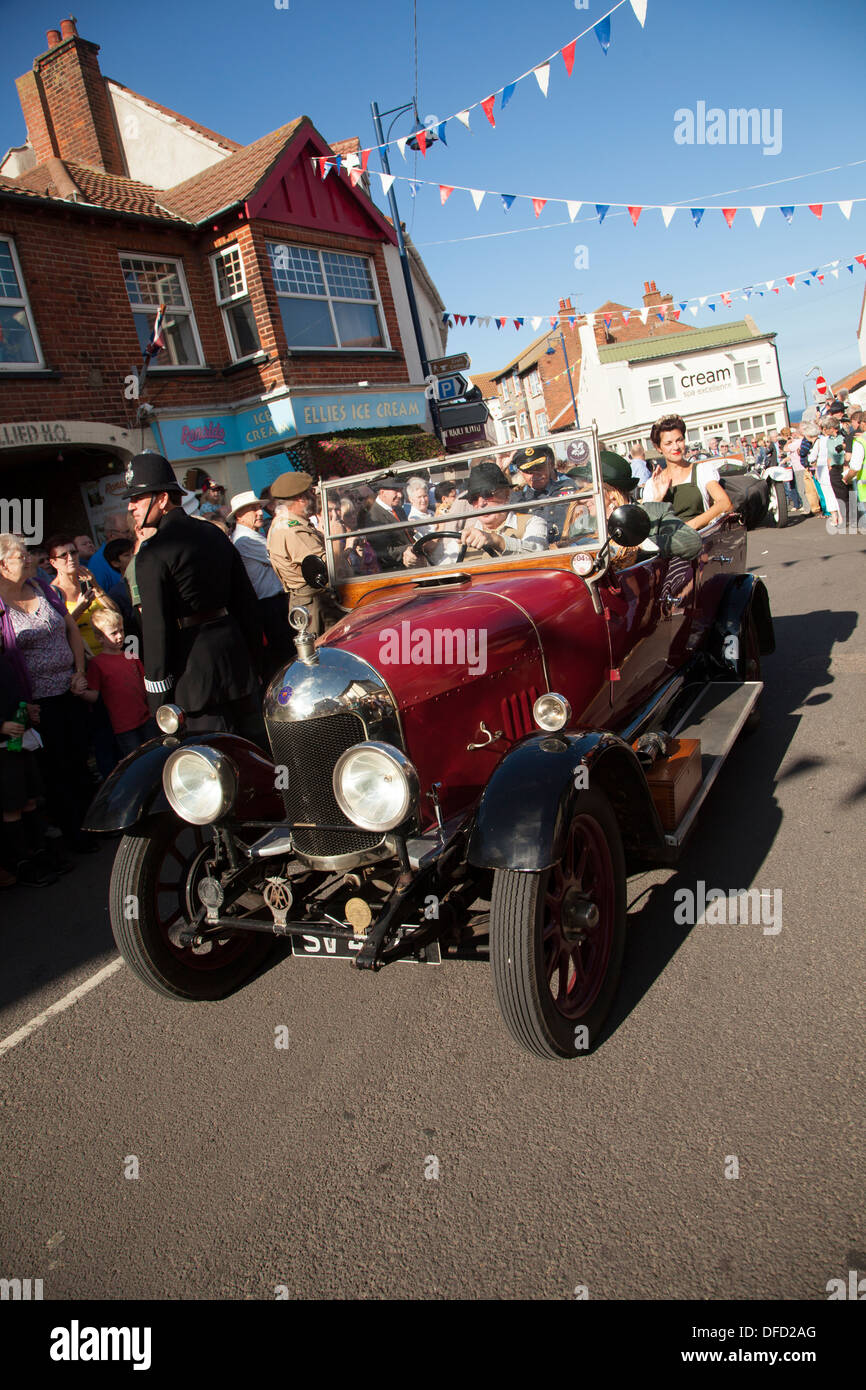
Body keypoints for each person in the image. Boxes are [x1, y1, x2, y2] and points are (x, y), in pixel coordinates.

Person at [124, 452, 263, 735]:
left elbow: (156, 629)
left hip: (193, 676)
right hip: (235, 662)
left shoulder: (152, 553)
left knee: (213, 766)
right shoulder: (212, 533)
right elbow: (246, 603)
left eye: (138, 498)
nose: (131, 507)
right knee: (256, 756)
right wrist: (255, 659)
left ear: (162, 499)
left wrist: (158, 699)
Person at [0, 532, 96, 854]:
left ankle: (92, 825)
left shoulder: (42, 588)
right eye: (21, 556)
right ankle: (73, 836)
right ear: (2, 565)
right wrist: (21, 705)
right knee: (55, 771)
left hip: (69, 689)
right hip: (37, 703)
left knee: (80, 760)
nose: (29, 559)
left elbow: (71, 628)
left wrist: (80, 671)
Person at [266, 470, 345, 633]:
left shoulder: (286, 523)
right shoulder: (292, 530)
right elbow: (327, 570)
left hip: (311, 600)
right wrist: (336, 539)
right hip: (315, 602)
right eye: (311, 492)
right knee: (326, 649)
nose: (315, 496)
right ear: (301, 499)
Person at [227, 489, 293, 676]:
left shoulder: (252, 535)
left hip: (275, 602)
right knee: (284, 657)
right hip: (268, 605)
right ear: (239, 516)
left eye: (259, 508)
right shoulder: (245, 539)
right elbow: (279, 555)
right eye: (253, 509)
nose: (259, 513)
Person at [79, 609, 156, 761]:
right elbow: (94, 695)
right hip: (123, 726)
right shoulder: (97, 663)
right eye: (113, 633)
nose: (120, 636)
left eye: (121, 630)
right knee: (137, 761)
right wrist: (79, 692)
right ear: (99, 638)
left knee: (155, 754)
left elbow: (146, 684)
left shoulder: (131, 655)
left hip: (145, 718)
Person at [642, 416, 733, 528]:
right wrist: (657, 499)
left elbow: (725, 503)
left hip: (701, 538)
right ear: (658, 447)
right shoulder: (652, 484)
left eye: (679, 440)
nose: (675, 447)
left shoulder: (702, 470)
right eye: (668, 443)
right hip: (668, 543)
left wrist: (688, 527)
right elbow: (647, 527)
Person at [455, 460, 548, 560]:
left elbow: (537, 552)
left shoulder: (532, 522)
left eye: (487, 495)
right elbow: (442, 567)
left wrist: (495, 540)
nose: (481, 504)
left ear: (507, 495)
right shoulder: (461, 537)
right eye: (473, 499)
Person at [47, 534, 120, 657]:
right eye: (63, 555)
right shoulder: (53, 592)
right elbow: (58, 631)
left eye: (73, 552)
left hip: (110, 654)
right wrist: (80, 609)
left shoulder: (87, 581)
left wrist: (96, 586)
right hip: (85, 658)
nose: (70, 558)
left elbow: (116, 612)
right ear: (53, 562)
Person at [510, 444, 573, 542]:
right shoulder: (518, 499)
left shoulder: (569, 486)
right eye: (528, 471)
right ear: (520, 472)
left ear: (550, 464)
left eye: (539, 468)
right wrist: (502, 467)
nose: (534, 475)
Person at [360, 474, 423, 571]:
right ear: (382, 492)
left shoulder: (398, 509)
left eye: (401, 490)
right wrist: (410, 548)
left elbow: (408, 534)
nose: (400, 495)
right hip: (396, 571)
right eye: (396, 491)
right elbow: (385, 552)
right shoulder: (374, 517)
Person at [86, 513, 134, 592]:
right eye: (126, 532)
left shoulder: (134, 548)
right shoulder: (97, 562)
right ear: (111, 535)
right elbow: (98, 592)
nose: (130, 535)